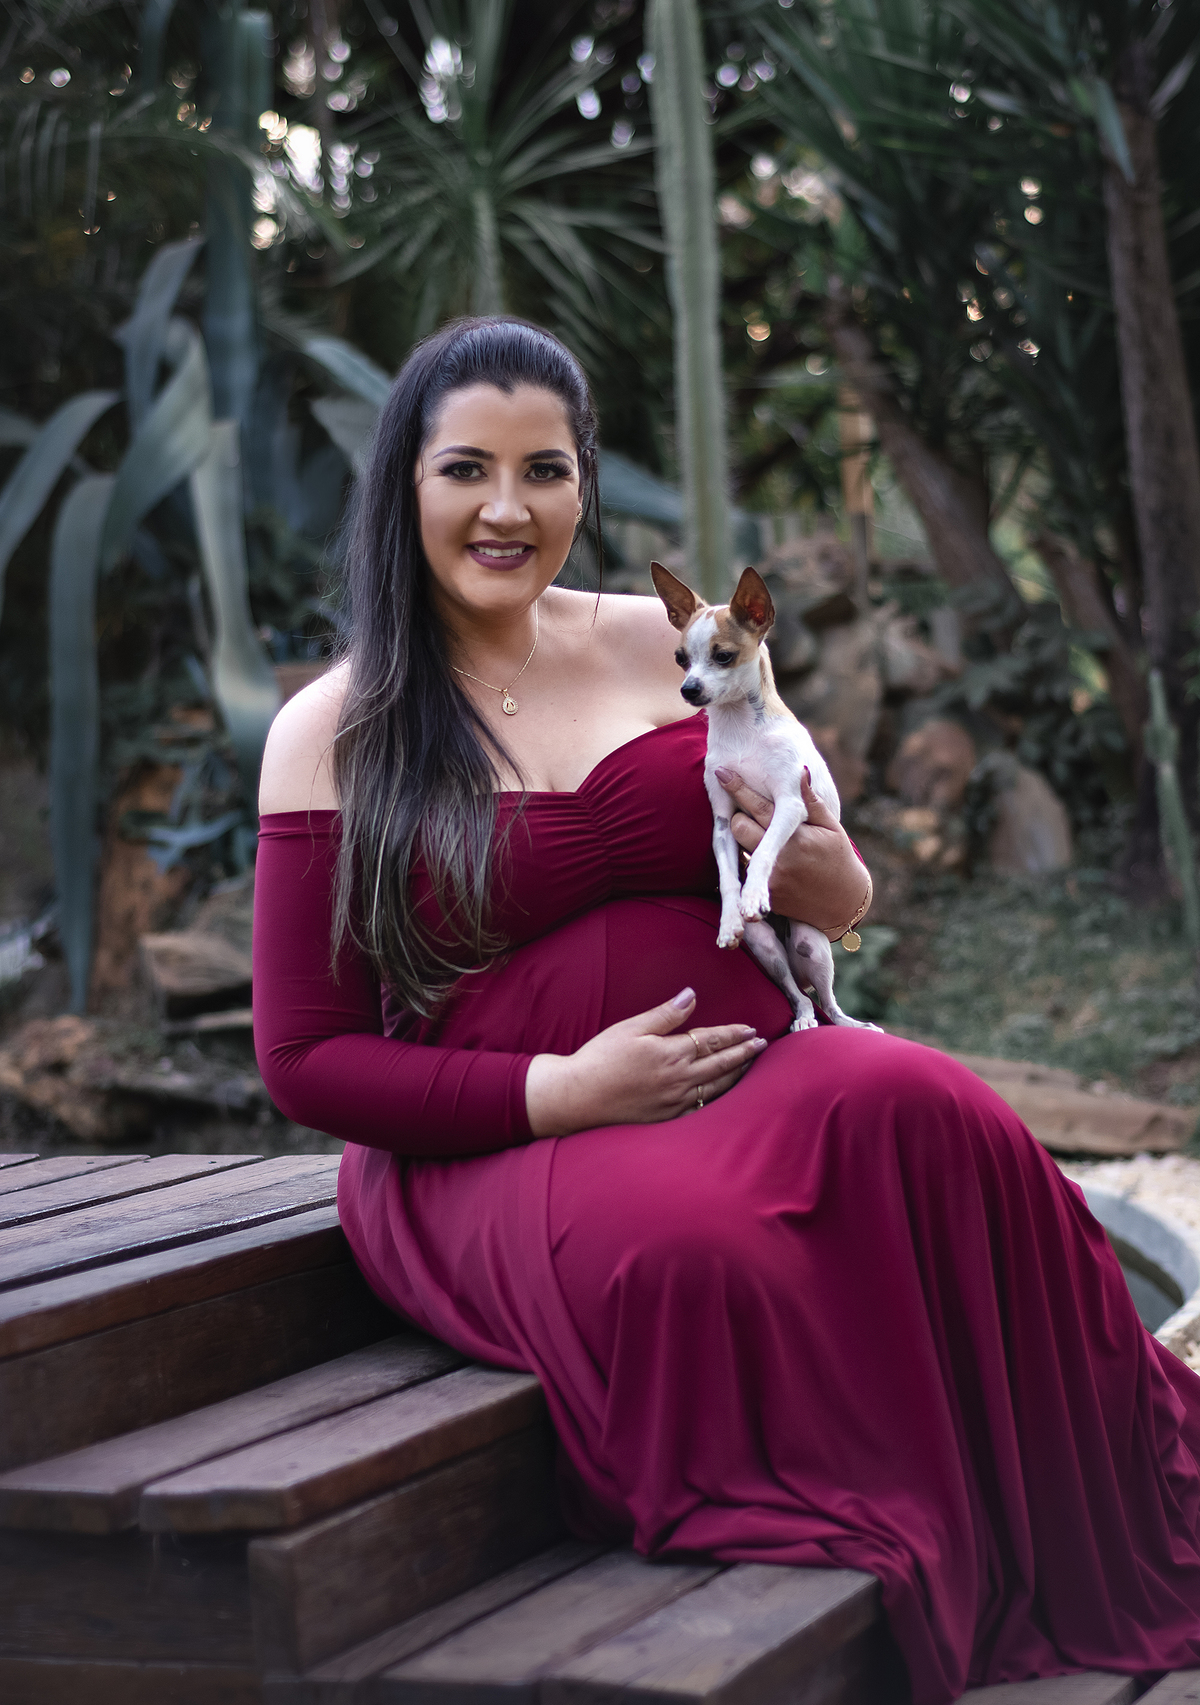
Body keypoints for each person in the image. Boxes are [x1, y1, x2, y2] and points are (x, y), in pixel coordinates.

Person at [253, 316, 1200, 1705]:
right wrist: (563, 1091)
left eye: (545, 471)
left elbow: (837, 876)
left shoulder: (673, 646)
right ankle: (893, 1578)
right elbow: (302, 1058)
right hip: (500, 1143)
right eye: (467, 470)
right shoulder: (337, 729)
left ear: (585, 483)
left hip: (753, 1073)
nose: (508, 509)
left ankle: (1073, 1524)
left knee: (935, 1111)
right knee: (700, 1257)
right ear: (405, 482)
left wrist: (833, 884)